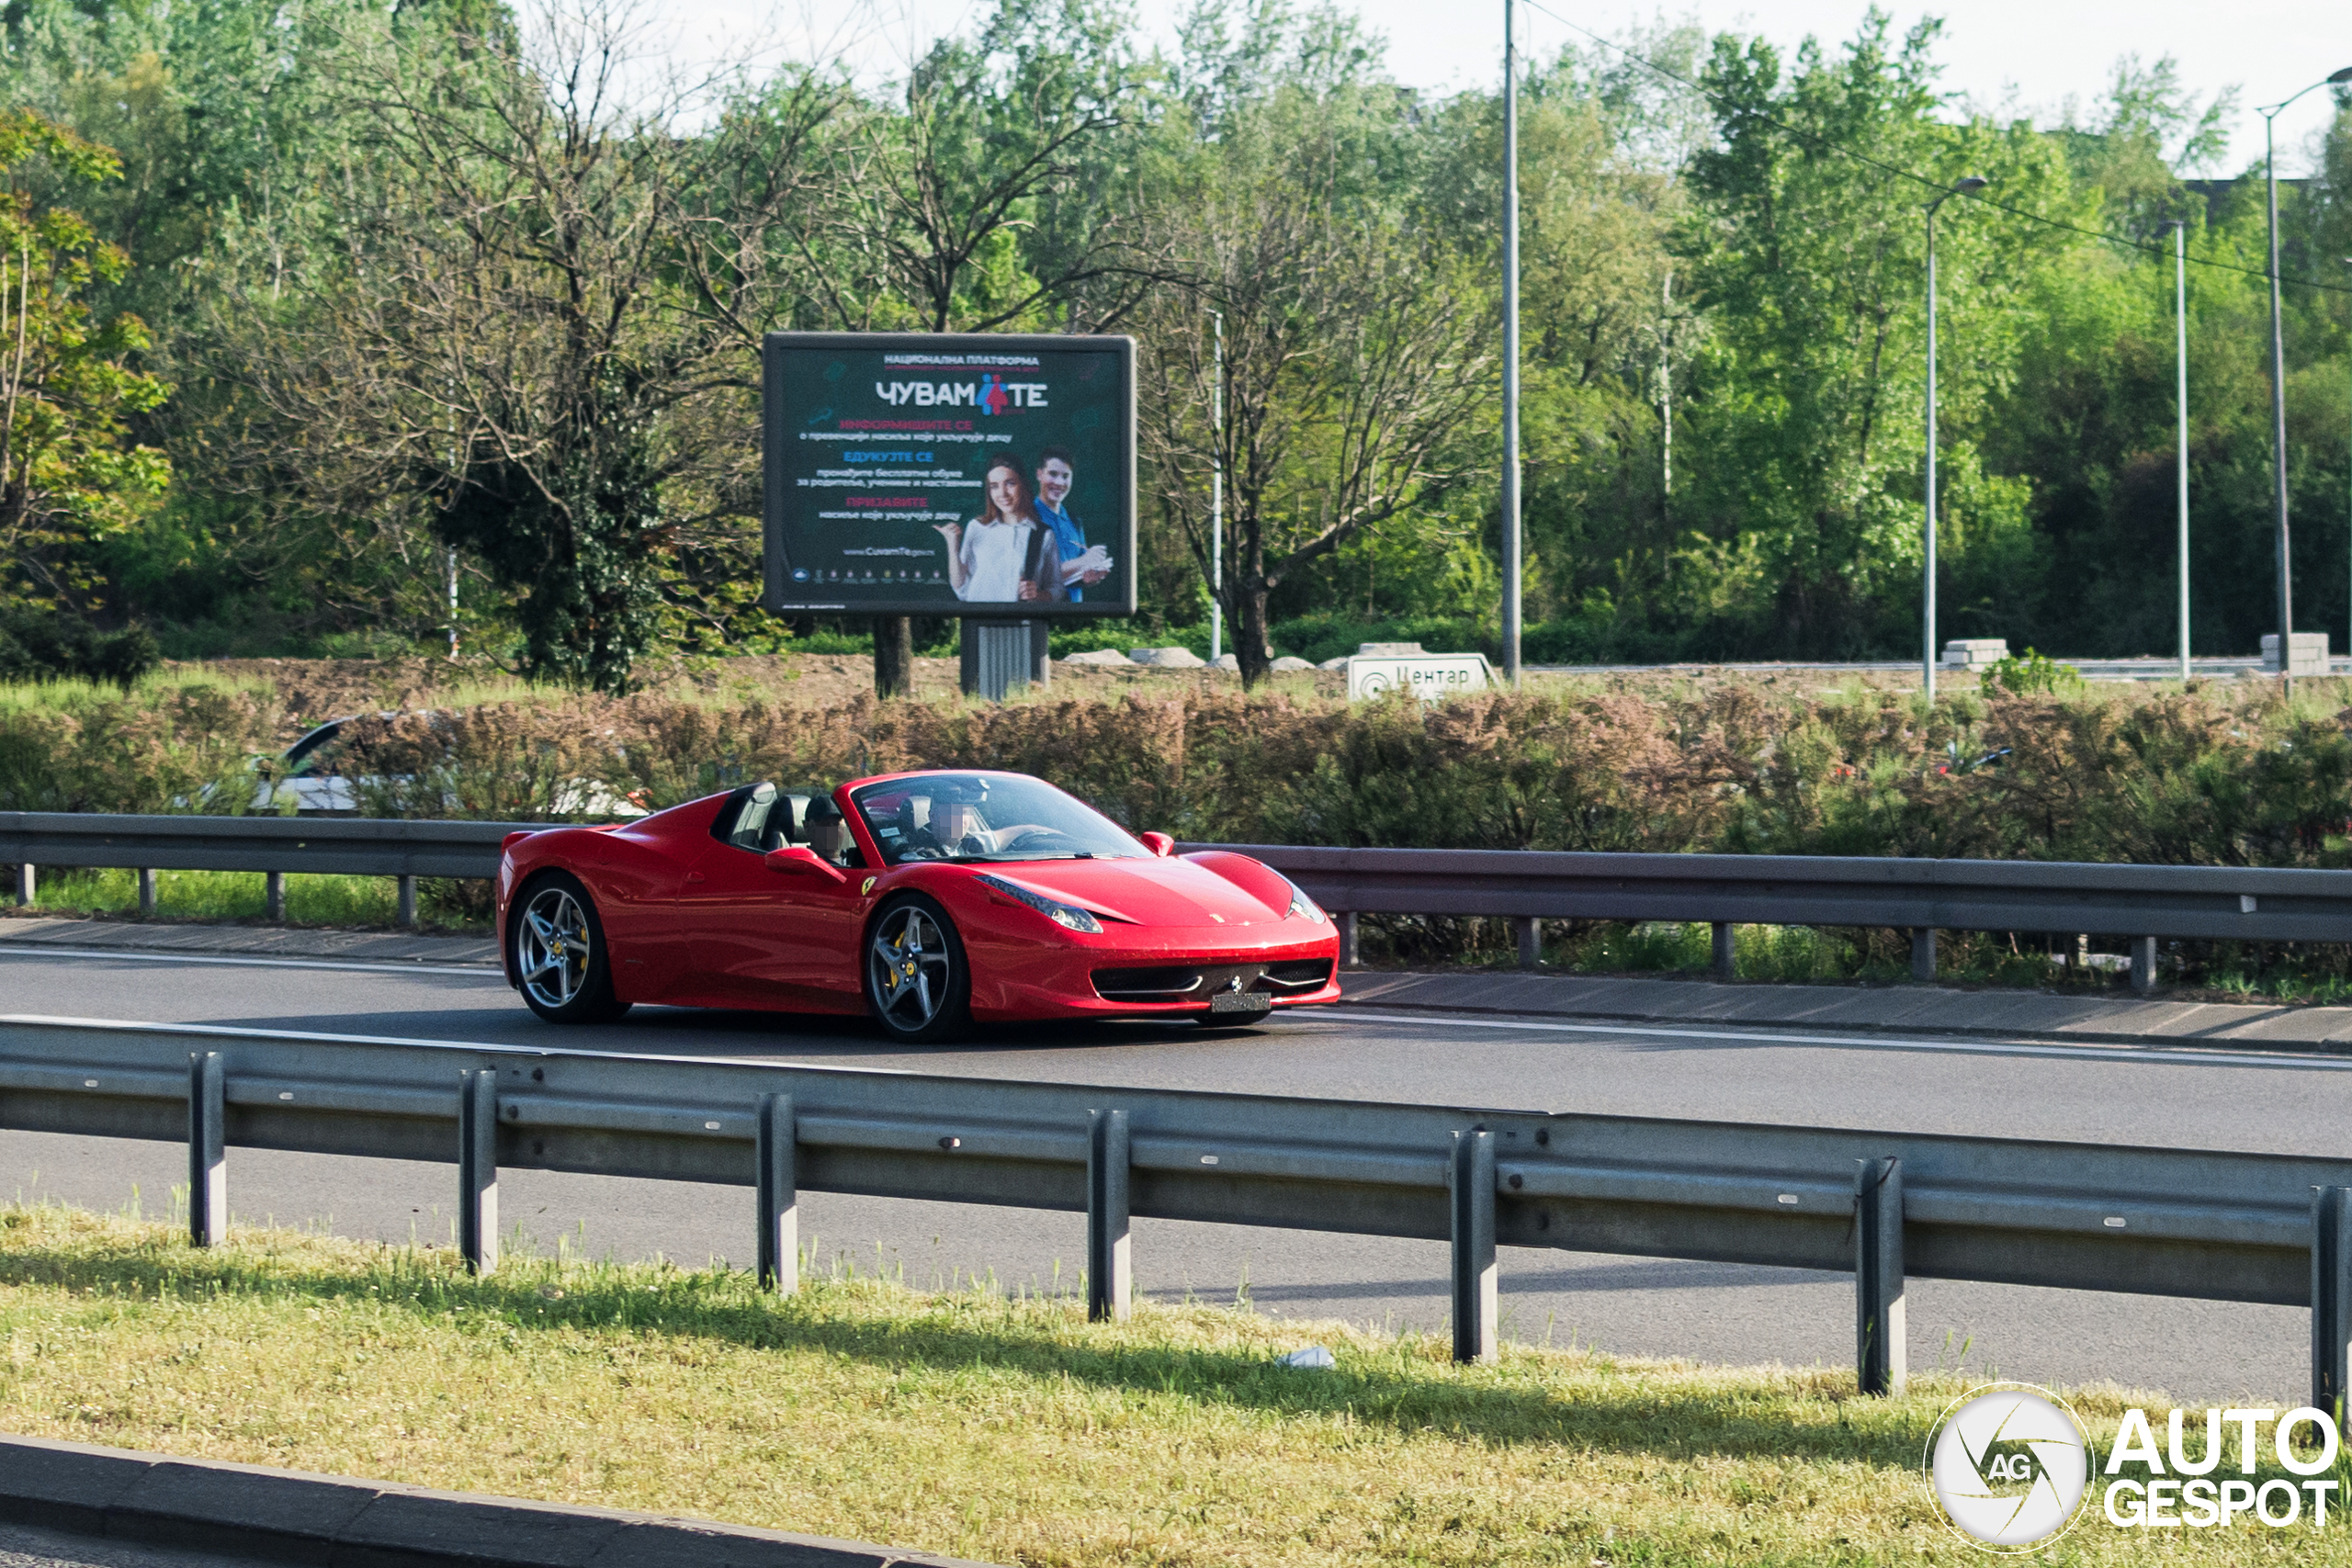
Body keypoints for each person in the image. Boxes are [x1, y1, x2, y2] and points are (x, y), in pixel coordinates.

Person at [935, 454, 1064, 604]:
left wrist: (1037, 595)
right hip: (977, 617)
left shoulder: (1043, 534)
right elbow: (961, 588)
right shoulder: (977, 527)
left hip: (1019, 621)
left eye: (1010, 483)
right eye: (994, 486)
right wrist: (953, 546)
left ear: (1023, 485)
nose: (1002, 493)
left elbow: (1057, 589)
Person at [1034, 447, 1110, 603]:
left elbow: (1079, 573)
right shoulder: (1026, 517)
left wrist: (1091, 576)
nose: (1059, 483)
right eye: (1053, 474)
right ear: (1039, 474)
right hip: (1039, 614)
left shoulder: (1075, 521)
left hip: (1073, 616)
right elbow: (1034, 576)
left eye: (1066, 476)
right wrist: (1083, 561)